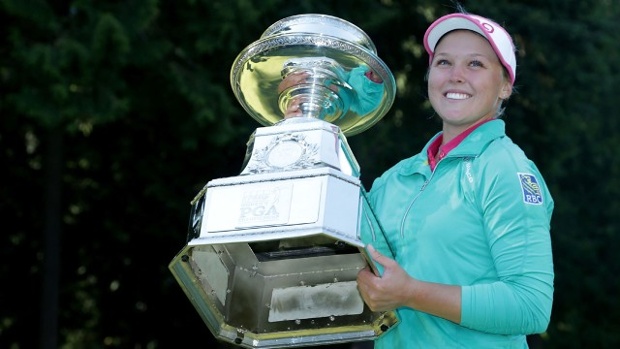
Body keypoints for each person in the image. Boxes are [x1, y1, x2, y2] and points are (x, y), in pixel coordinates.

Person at [355, 8, 555, 349]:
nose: (456, 75)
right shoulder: (395, 179)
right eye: (444, 62)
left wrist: (411, 293)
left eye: (475, 64)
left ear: (505, 86)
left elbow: (531, 305)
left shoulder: (505, 168)